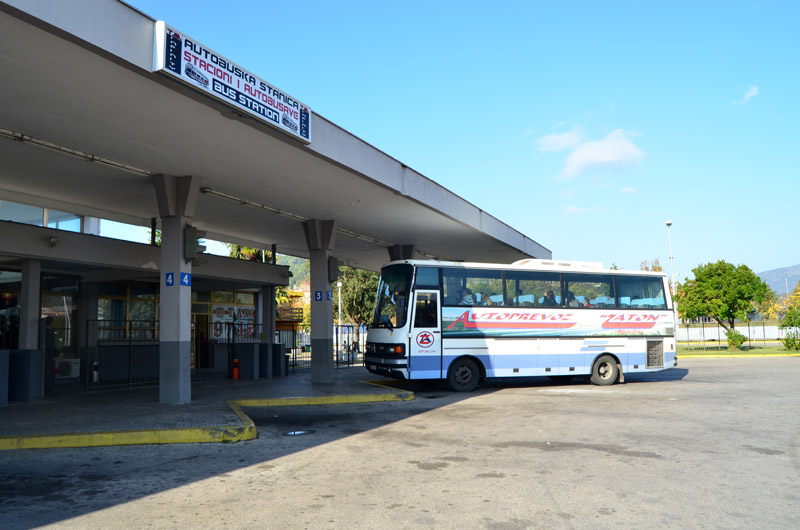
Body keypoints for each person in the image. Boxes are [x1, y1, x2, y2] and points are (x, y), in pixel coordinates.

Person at [44, 316, 58, 397]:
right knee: (49, 373)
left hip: (46, 354)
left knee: (47, 373)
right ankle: (48, 390)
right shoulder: (50, 333)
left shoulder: (43, 331)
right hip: (49, 355)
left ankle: (47, 389)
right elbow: (51, 344)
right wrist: (55, 352)